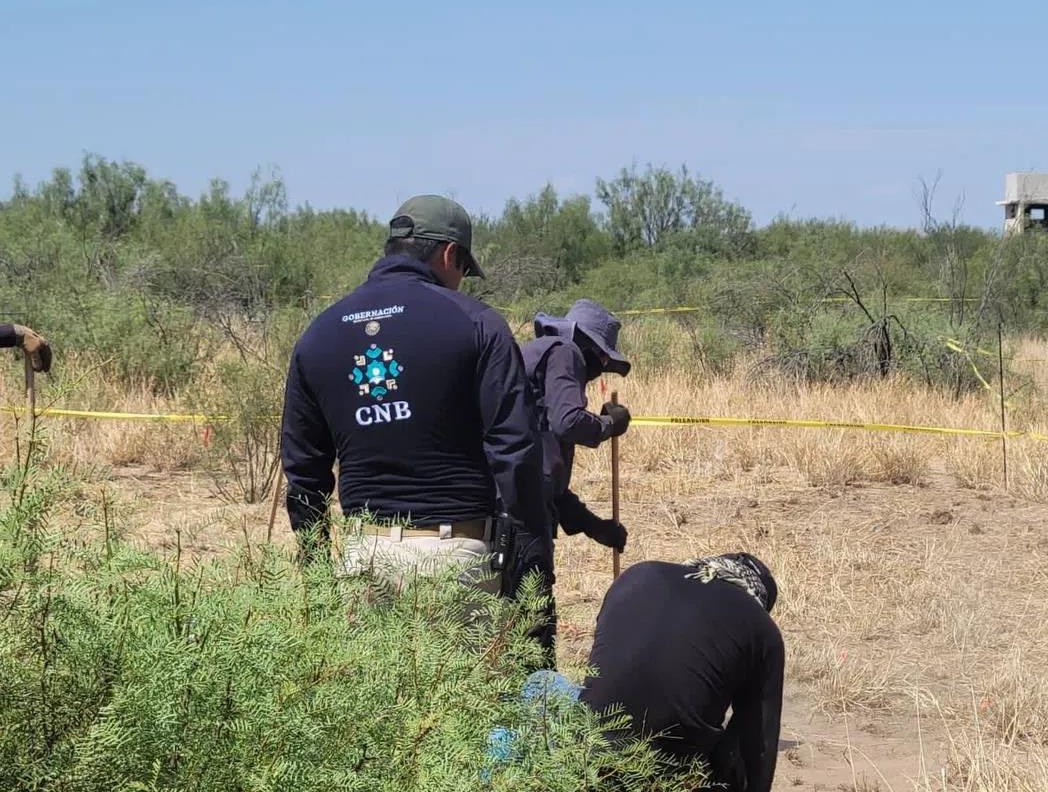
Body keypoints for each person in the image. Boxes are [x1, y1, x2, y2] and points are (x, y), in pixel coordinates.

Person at [280, 194, 551, 599]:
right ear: (449, 254)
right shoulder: (477, 323)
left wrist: (317, 575)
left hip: (364, 559)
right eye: (463, 269)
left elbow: (303, 470)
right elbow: (514, 450)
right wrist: (533, 560)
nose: (460, 280)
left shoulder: (319, 334)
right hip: (456, 558)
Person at [581, 554, 784, 792]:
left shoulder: (637, 574)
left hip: (587, 749)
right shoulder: (762, 628)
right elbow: (759, 749)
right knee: (741, 734)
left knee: (541, 681)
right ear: (758, 597)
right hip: (669, 772)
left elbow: (608, 664)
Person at [520, 299, 632, 659]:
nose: (599, 372)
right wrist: (609, 425)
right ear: (592, 351)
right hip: (520, 519)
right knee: (533, 621)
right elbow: (568, 421)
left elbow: (546, 479)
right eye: (602, 362)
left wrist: (594, 526)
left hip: (517, 505)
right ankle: (535, 705)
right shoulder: (565, 353)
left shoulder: (541, 358)